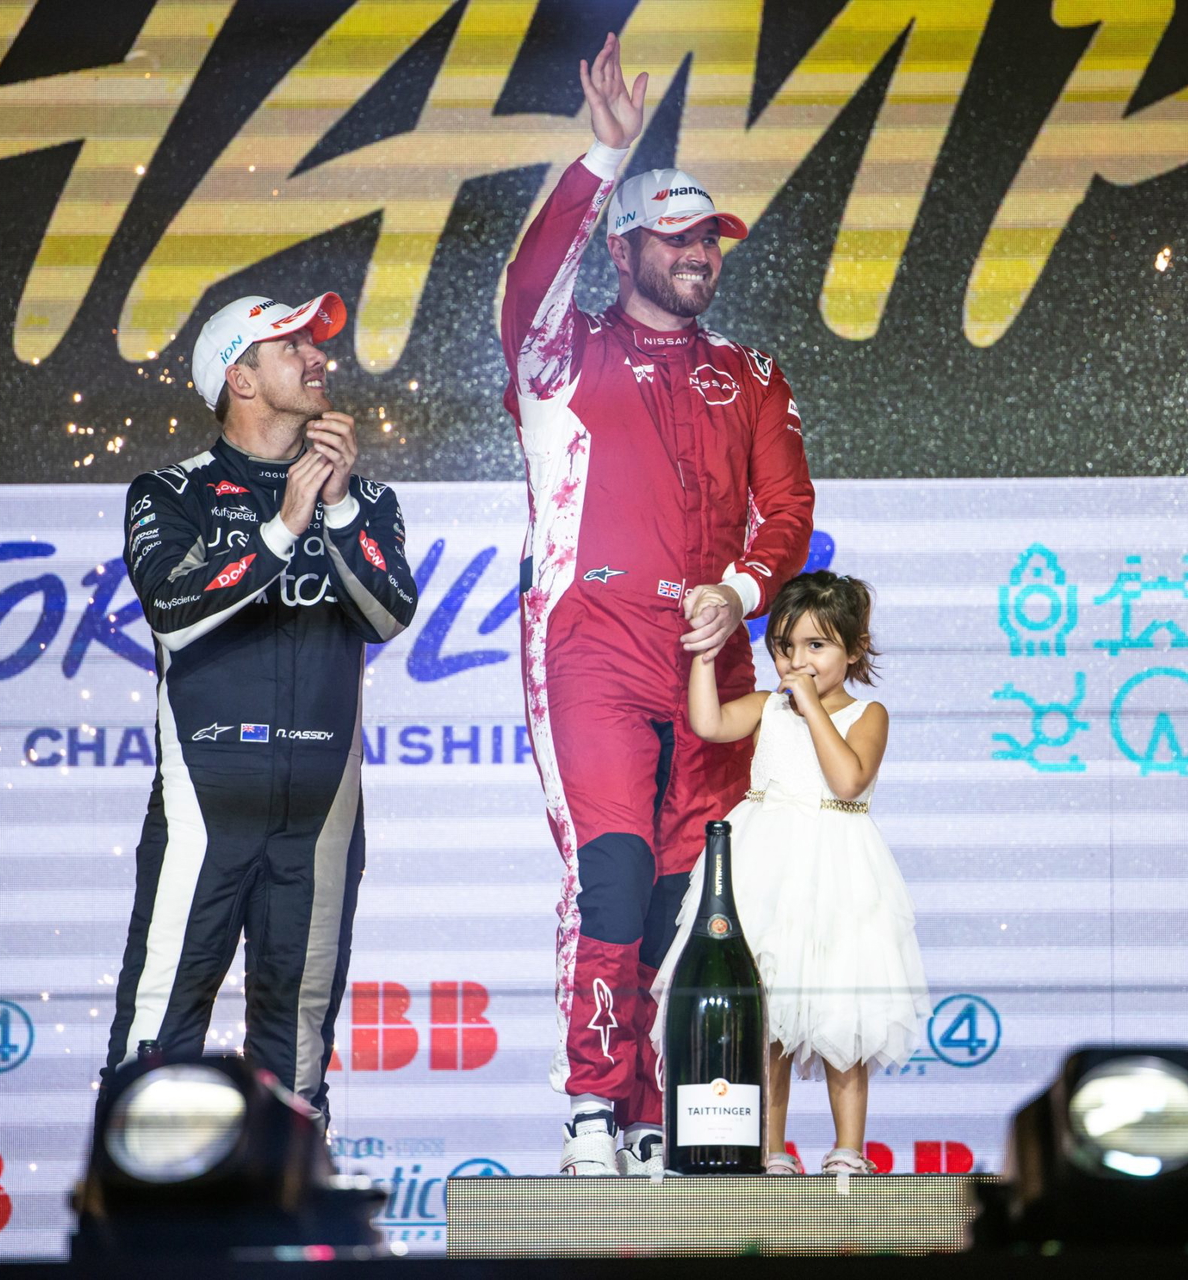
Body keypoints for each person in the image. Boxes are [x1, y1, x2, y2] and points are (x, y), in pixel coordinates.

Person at [501, 32, 814, 1175]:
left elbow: (787, 510)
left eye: (711, 239)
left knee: (685, 898)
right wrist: (599, 156)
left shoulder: (754, 373)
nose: (700, 256)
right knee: (617, 874)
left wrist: (738, 593)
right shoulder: (560, 357)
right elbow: (529, 281)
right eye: (677, 237)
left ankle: (644, 1108)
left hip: (711, 658)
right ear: (627, 246)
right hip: (590, 640)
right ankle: (591, 1102)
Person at [103, 291, 418, 1119]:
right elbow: (172, 608)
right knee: (158, 1039)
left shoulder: (369, 500)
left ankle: (288, 1236)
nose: (318, 359)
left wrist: (340, 508)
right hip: (207, 811)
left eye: (316, 345)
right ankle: (139, 1244)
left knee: (299, 1047)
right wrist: (283, 526)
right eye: (292, 347)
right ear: (239, 377)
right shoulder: (168, 492)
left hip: (319, 817)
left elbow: (389, 614)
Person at [654, 570, 929, 1176]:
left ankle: (848, 1152)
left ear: (854, 649)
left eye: (816, 646)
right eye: (784, 647)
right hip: (766, 866)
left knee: (843, 1019)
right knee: (767, 1017)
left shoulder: (868, 713)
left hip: (838, 872)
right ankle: (770, 1150)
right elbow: (708, 724)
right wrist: (703, 657)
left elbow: (849, 780)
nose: (797, 661)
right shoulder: (766, 707)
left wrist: (809, 706)